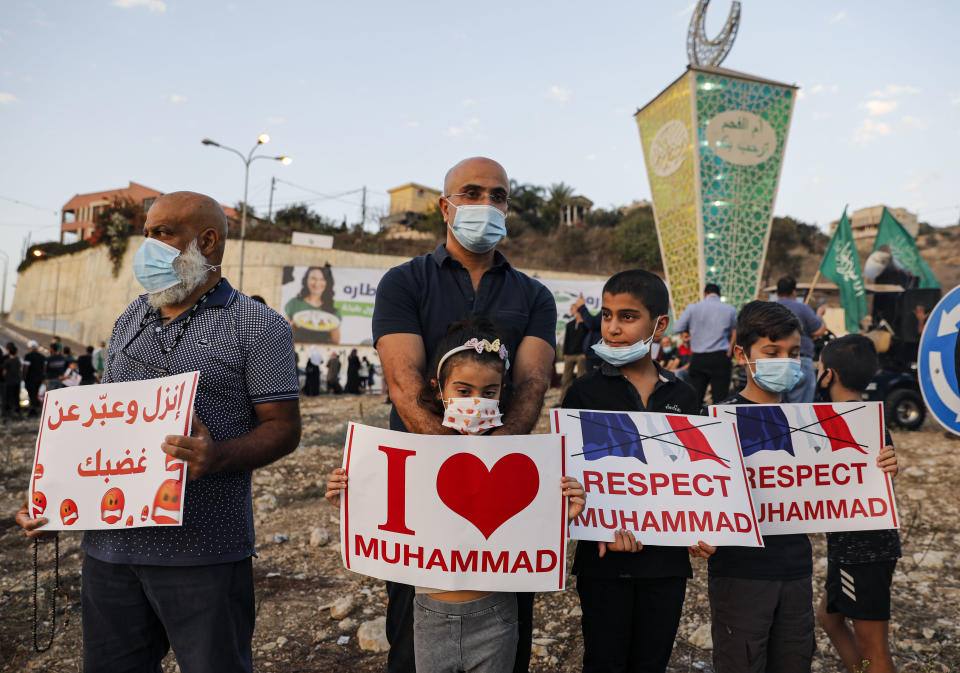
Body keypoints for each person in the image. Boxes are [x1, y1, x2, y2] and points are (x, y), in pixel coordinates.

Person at [15, 191, 301, 673]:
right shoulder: (131, 317)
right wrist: (54, 495)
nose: (148, 246)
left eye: (163, 233)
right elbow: (101, 424)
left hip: (203, 553)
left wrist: (218, 456)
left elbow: (283, 428)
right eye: (147, 233)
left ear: (207, 241)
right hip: (109, 553)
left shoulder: (258, 325)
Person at [372, 157, 556, 673]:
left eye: (498, 196)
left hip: (506, 481)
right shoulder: (403, 282)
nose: (486, 205)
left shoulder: (535, 295)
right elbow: (405, 386)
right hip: (418, 477)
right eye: (472, 193)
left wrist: (490, 466)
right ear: (445, 207)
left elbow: (531, 385)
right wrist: (454, 463)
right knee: (413, 623)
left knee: (506, 620)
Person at [327, 317, 585, 673]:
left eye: (489, 392)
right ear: (438, 389)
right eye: (463, 391)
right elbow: (386, 515)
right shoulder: (411, 457)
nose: (476, 402)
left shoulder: (522, 463)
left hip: (497, 614)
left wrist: (562, 512)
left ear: (502, 393)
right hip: (429, 613)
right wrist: (352, 495)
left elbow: (529, 527)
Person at [560, 269, 714, 673]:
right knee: (604, 660)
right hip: (603, 562)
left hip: (666, 566)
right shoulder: (583, 393)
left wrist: (704, 531)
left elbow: (697, 477)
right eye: (607, 315)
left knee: (652, 661)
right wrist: (593, 528)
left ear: (659, 325)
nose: (612, 328)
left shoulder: (683, 395)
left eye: (627, 317)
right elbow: (565, 479)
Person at [707, 300, 813, 673]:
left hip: (797, 572)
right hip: (740, 575)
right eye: (772, 352)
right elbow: (693, 495)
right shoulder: (713, 423)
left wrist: (879, 465)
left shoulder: (813, 423)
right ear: (741, 354)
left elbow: (845, 478)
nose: (785, 361)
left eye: (794, 353)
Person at [815, 335, 900, 673]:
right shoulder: (861, 421)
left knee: (874, 649)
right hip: (848, 550)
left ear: (828, 375)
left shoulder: (859, 425)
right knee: (828, 618)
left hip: (863, 553)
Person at [673, 283, 737, 406]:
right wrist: (730, 349)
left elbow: (677, 327)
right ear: (719, 294)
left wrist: (692, 329)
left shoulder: (693, 308)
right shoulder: (730, 309)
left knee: (695, 399)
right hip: (721, 357)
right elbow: (735, 330)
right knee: (720, 401)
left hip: (699, 358)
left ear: (705, 294)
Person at [775, 276, 827, 403]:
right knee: (801, 411)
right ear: (794, 292)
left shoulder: (769, 309)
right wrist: (820, 315)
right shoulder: (802, 308)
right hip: (800, 361)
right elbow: (819, 330)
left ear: (777, 292)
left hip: (773, 363)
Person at [284, 265, 341, 344]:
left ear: (327, 282)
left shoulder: (333, 310)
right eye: (313, 278)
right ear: (306, 279)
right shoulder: (294, 304)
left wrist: (333, 328)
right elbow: (284, 335)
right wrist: (293, 326)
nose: (317, 283)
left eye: (322, 279)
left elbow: (335, 342)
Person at [560, 311, 587, 401]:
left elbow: (587, 339)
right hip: (569, 355)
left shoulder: (585, 325)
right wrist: (565, 353)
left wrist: (585, 353)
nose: (577, 312)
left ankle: (579, 400)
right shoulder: (569, 324)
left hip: (581, 355)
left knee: (580, 378)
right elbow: (566, 339)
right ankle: (563, 399)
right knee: (566, 378)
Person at [23, 340, 45, 416]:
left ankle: (33, 410)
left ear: (31, 347)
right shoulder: (42, 357)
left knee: (32, 395)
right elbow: (44, 368)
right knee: (35, 394)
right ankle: (35, 409)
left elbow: (26, 368)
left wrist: (24, 377)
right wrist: (43, 378)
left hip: (30, 379)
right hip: (39, 379)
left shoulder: (28, 356)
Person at [2, 342, 22, 418]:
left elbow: (4, 372)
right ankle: (17, 411)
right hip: (17, 381)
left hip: (9, 382)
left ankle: (9, 412)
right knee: (16, 397)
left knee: (9, 397)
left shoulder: (7, 361)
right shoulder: (17, 360)